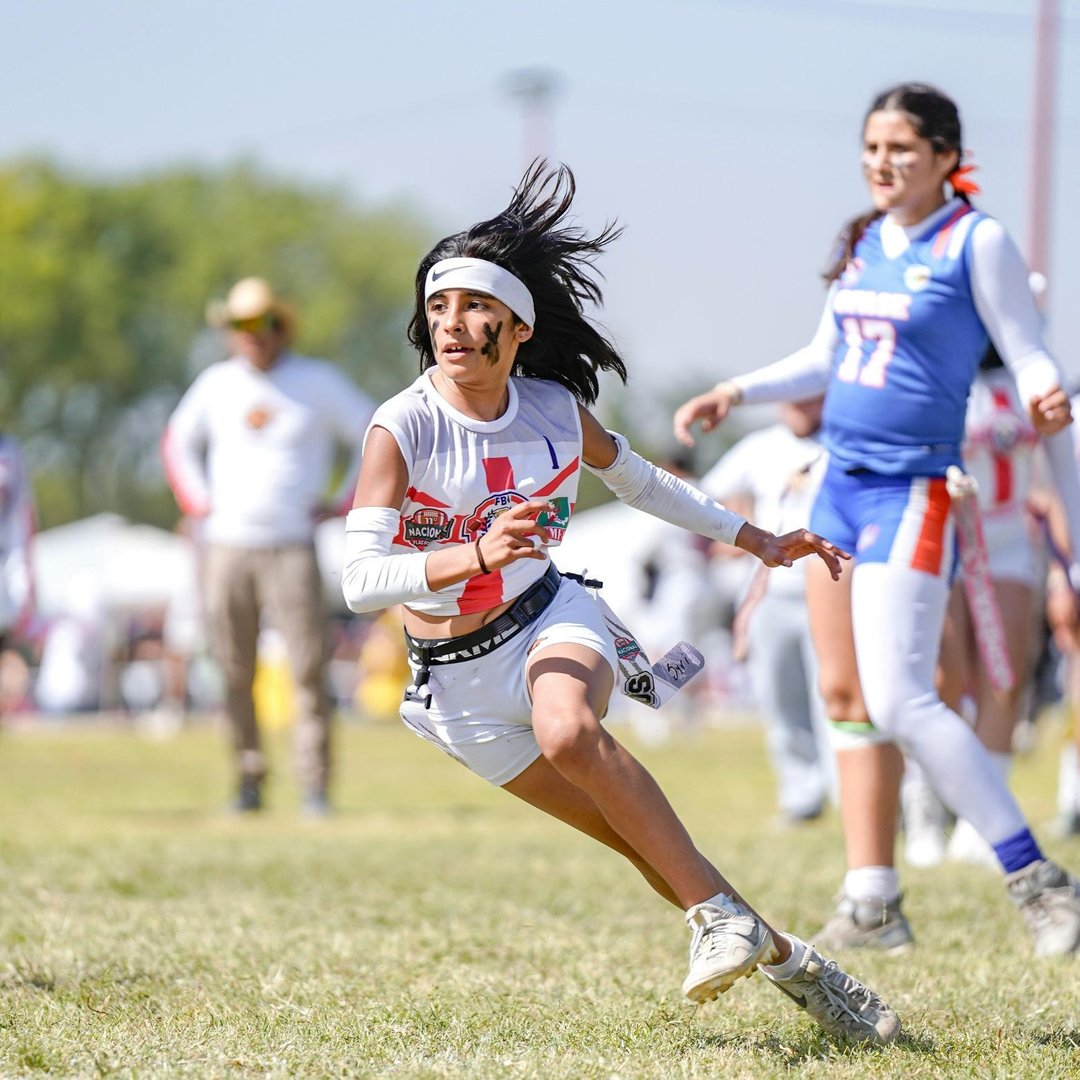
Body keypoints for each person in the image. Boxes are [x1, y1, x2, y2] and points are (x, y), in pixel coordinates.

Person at [341, 162, 900, 1045]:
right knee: (646, 847)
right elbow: (358, 579)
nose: (450, 323)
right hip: (452, 690)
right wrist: (473, 552)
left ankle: (736, 926)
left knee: (569, 732)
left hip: (548, 620)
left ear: (518, 327)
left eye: (473, 306)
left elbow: (641, 483)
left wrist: (755, 539)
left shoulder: (556, 409)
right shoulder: (400, 425)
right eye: (438, 306)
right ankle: (796, 963)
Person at [673, 83, 1080, 958]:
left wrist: (1046, 389)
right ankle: (872, 901)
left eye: (900, 148)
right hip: (838, 491)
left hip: (914, 491)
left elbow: (1030, 346)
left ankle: (1039, 881)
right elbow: (826, 355)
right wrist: (736, 391)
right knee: (847, 695)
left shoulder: (978, 240)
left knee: (903, 696)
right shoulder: (864, 241)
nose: (882, 164)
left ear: (944, 156)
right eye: (870, 149)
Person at [163, 277, 375, 815]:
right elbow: (177, 444)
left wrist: (343, 499)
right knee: (232, 669)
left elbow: (374, 435)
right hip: (227, 546)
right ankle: (248, 777)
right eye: (240, 325)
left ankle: (314, 785)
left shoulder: (317, 381)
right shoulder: (215, 384)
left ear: (282, 327)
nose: (252, 335)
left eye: (262, 323)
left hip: (292, 545)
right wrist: (200, 502)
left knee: (308, 667)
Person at [902, 344, 1044, 869]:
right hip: (941, 537)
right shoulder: (934, 366)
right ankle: (925, 806)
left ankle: (984, 819)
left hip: (1006, 542)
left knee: (1004, 675)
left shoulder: (1032, 376)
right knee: (939, 677)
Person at [699, 397, 835, 823]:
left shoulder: (841, 441)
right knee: (779, 696)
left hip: (829, 588)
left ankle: (848, 793)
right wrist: (744, 525)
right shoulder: (759, 447)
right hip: (771, 590)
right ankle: (802, 796)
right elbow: (709, 492)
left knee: (833, 695)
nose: (801, 405)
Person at [0, 431, 35, 712]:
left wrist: (25, 579)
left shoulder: (10, 449)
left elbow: (22, 515)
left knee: (10, 641)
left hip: (5, 563)